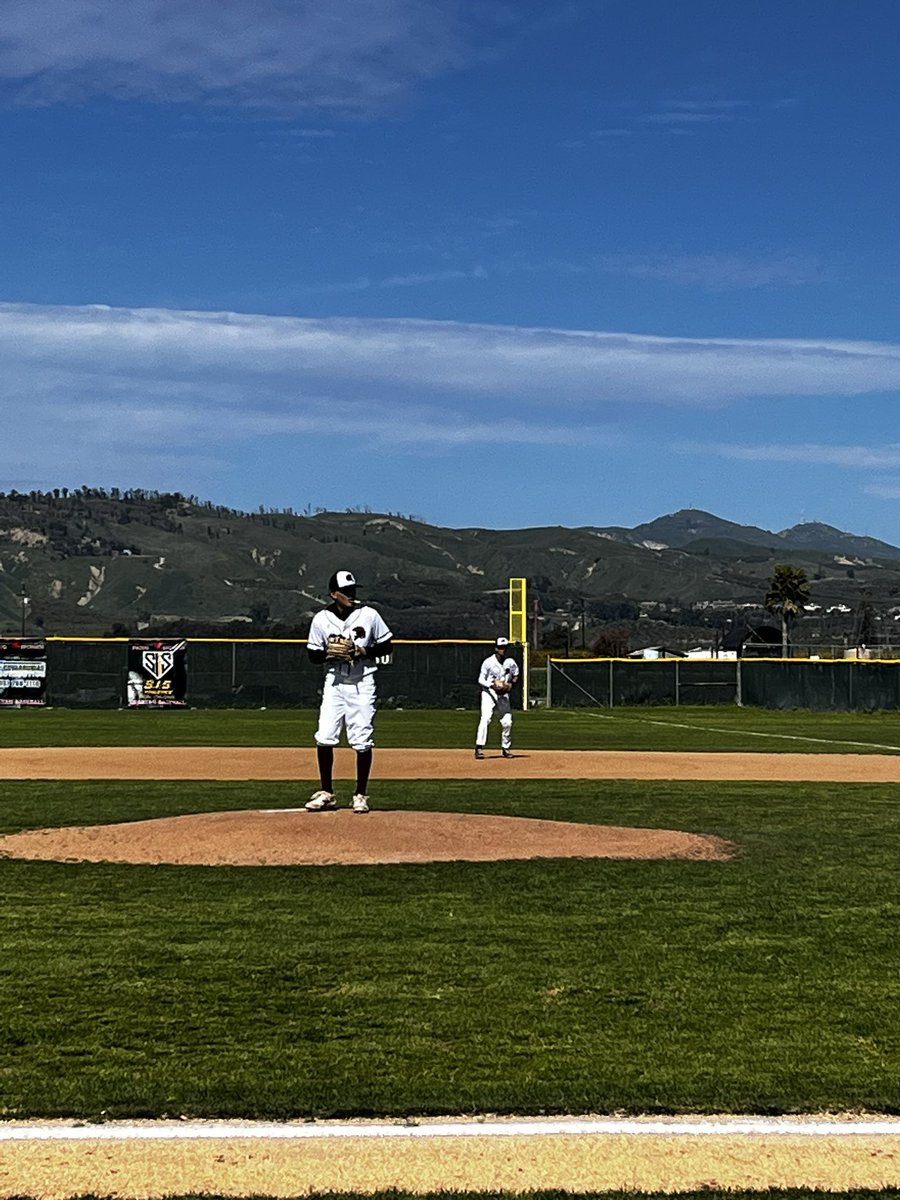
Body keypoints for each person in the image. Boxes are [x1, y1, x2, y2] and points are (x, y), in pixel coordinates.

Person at [305, 569, 393, 813]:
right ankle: (326, 792)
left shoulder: (369, 615)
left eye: (353, 590)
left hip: (363, 681)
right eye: (346, 592)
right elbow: (312, 655)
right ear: (334, 594)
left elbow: (387, 645)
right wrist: (329, 654)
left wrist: (363, 652)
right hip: (334, 682)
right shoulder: (322, 619)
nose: (351, 595)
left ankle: (361, 794)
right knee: (324, 736)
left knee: (362, 739)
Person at [474, 637, 520, 759]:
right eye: (500, 647)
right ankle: (479, 748)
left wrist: (511, 685)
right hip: (489, 693)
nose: (502, 650)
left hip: (503, 694)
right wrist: (492, 685)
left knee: (507, 722)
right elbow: (480, 679)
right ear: (495, 648)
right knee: (486, 718)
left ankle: (505, 748)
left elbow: (516, 674)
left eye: (504, 647)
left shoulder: (510, 662)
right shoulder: (488, 662)